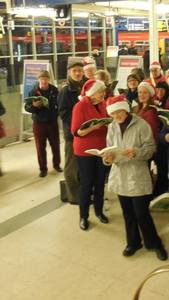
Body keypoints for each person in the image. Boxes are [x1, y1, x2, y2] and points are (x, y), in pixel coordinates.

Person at [104, 97, 168, 261]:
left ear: (126, 110)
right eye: (113, 113)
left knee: (141, 213)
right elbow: (109, 149)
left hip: (137, 173)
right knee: (127, 213)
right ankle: (133, 242)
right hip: (120, 175)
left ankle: (154, 243)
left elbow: (151, 147)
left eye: (119, 111)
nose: (117, 116)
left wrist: (137, 152)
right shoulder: (112, 127)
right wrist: (108, 158)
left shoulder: (141, 125)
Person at [70, 79, 109, 230]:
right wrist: (94, 127)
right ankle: (83, 216)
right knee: (86, 184)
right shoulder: (80, 106)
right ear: (93, 93)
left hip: (102, 149)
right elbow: (77, 132)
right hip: (85, 150)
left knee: (100, 182)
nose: (103, 94)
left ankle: (99, 211)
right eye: (101, 92)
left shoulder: (102, 104)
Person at [57, 59, 85, 205]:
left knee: (81, 166)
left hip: (86, 133)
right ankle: (74, 196)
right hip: (73, 134)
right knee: (71, 166)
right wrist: (79, 119)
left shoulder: (85, 87)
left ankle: (82, 193)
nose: (78, 73)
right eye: (75, 71)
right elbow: (63, 114)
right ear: (69, 72)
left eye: (80, 70)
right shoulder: (66, 91)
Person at [25, 70, 61, 177]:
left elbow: (59, 104)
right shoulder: (33, 91)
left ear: (49, 80)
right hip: (39, 123)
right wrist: (34, 106)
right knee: (40, 147)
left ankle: (56, 164)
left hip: (52, 122)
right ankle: (43, 168)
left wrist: (55, 113)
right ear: (38, 80)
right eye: (42, 79)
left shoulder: (54, 90)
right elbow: (27, 107)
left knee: (55, 145)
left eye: (46, 79)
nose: (44, 81)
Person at [136, 82, 168, 196]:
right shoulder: (138, 108)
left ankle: (150, 194)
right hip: (141, 145)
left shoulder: (153, 109)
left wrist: (151, 147)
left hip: (151, 146)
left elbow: (153, 130)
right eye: (140, 92)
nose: (141, 95)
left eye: (145, 92)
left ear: (150, 94)